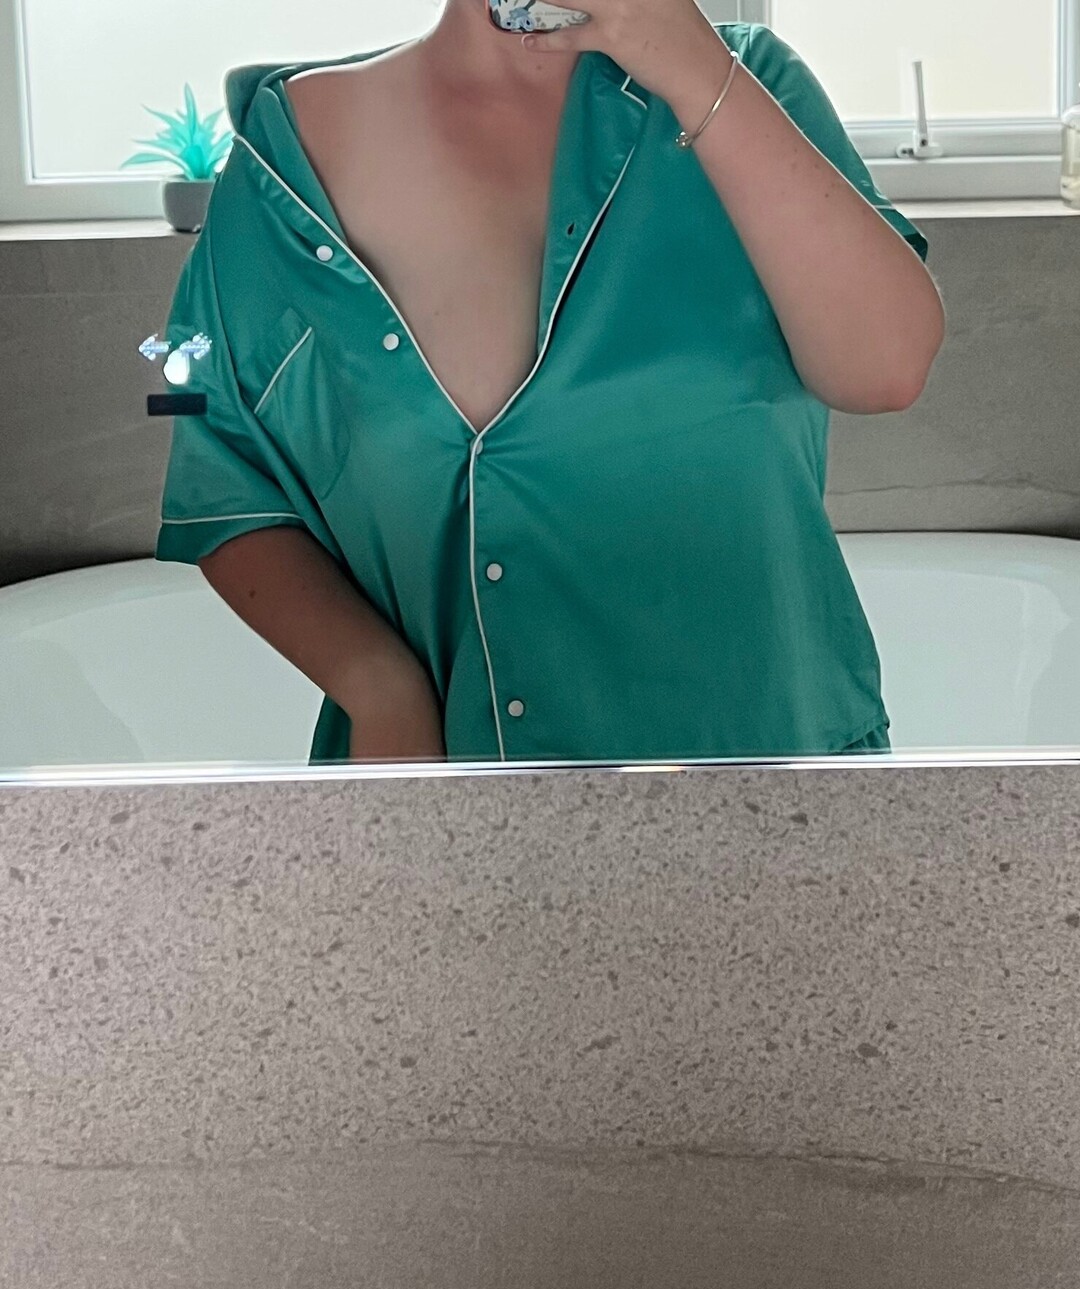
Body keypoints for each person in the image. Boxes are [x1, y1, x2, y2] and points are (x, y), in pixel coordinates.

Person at [154, 0, 945, 765]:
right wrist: (377, 686)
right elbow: (222, 480)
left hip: (780, 798)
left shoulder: (747, 82)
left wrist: (696, 69)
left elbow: (887, 368)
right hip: (437, 810)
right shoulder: (285, 155)